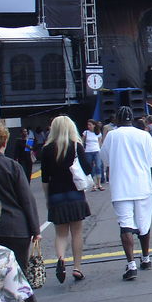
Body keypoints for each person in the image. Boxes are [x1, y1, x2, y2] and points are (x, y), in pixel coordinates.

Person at [0, 123, 42, 302]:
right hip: (16, 226)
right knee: (18, 270)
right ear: (4, 142)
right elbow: (26, 199)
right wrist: (35, 230)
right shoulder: (12, 166)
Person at [101, 106, 152, 279]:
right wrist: (151, 187)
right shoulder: (144, 135)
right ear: (132, 119)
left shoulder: (112, 136)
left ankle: (131, 264)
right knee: (144, 224)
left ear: (118, 120)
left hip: (121, 187)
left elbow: (104, 159)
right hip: (142, 185)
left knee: (125, 225)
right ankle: (146, 257)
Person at [40, 115, 93, 283]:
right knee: (77, 233)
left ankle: (61, 259)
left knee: (60, 234)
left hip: (56, 194)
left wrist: (48, 198)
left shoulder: (46, 149)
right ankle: (77, 267)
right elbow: (88, 168)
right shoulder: (76, 146)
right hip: (75, 194)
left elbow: (44, 178)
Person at [82, 120, 105, 191]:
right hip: (88, 151)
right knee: (90, 167)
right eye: (88, 125)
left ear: (94, 125)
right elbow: (82, 141)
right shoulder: (86, 133)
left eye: (90, 125)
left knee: (98, 166)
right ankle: (93, 184)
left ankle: (99, 183)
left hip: (96, 150)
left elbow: (100, 143)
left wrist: (101, 151)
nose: (89, 126)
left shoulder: (98, 133)